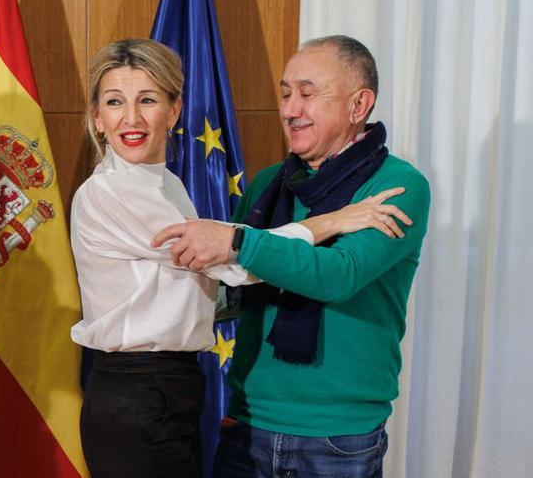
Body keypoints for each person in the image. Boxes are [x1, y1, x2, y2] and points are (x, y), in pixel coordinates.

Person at [71, 38, 409, 478]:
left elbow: (237, 272)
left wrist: (234, 246)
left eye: (148, 99)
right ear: (97, 118)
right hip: (137, 388)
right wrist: (334, 221)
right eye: (114, 102)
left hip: (173, 387)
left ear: (173, 111)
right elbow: (230, 261)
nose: (131, 118)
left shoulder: (165, 184)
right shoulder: (110, 191)